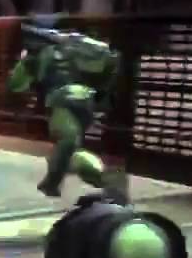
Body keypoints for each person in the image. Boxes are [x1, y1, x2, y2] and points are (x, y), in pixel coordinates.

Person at [7, 16, 121, 197]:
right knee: (70, 146)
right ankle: (68, 178)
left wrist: (23, 62)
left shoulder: (40, 53)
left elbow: (15, 85)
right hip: (86, 101)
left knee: (69, 143)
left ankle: (58, 182)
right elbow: (110, 62)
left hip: (62, 100)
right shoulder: (80, 46)